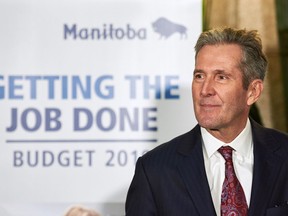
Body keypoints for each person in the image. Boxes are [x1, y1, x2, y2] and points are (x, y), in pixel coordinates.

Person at [125, 27, 288, 216]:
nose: (205, 90)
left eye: (221, 77)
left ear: (253, 92)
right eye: (199, 76)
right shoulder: (154, 170)